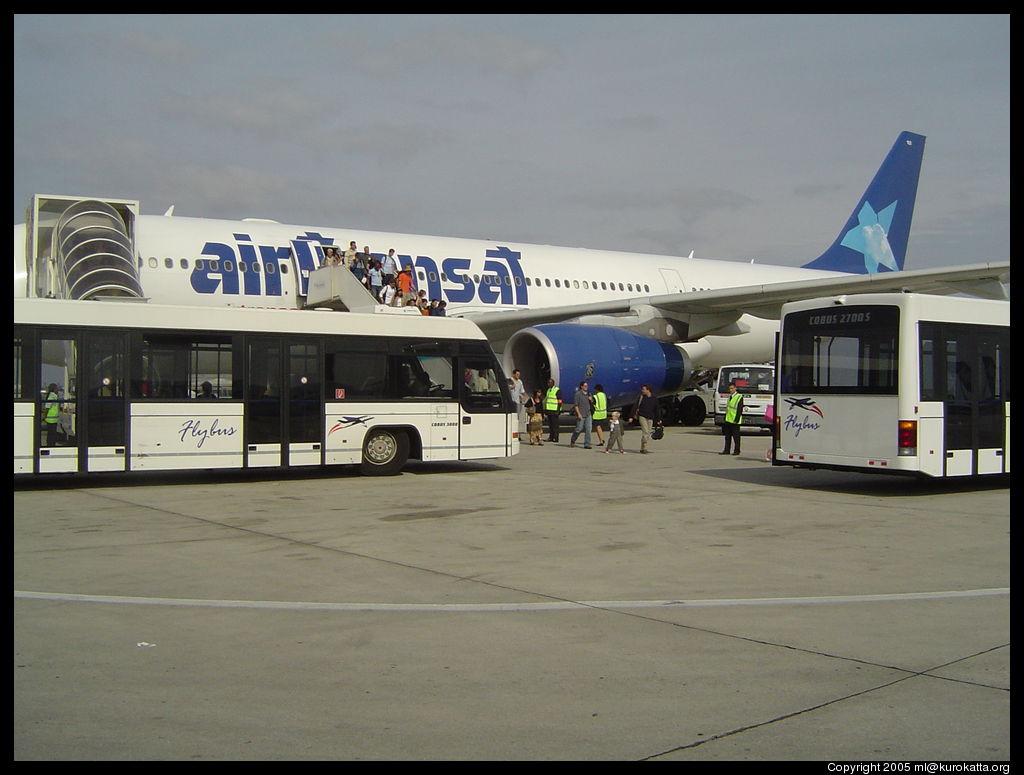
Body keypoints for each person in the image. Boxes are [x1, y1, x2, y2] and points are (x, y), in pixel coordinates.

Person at [628, 383, 662, 454]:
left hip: (650, 417)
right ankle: (644, 448)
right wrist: (631, 416)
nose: (642, 391)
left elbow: (657, 410)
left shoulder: (654, 399)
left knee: (648, 433)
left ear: (648, 390)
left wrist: (658, 419)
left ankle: (642, 448)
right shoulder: (641, 397)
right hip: (642, 416)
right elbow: (635, 406)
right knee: (645, 432)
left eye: (643, 389)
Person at [719, 381, 744, 456]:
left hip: (735, 421)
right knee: (727, 437)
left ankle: (737, 450)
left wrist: (736, 420)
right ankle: (726, 450)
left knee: (736, 437)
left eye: (732, 388)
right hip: (728, 419)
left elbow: (739, 410)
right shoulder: (730, 397)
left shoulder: (739, 397)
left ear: (735, 388)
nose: (730, 390)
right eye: (729, 389)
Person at [569, 381, 593, 448]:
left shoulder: (589, 393)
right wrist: (578, 414)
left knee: (588, 429)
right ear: (581, 387)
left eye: (587, 386)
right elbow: (576, 405)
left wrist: (591, 400)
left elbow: (592, 403)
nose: (586, 387)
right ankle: (573, 440)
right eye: (585, 386)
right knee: (579, 429)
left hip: (588, 414)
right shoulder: (578, 394)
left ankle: (587, 444)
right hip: (581, 414)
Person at [42, 382, 61, 447]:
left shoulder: (54, 396)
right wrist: (44, 416)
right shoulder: (52, 396)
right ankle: (50, 445)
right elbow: (47, 407)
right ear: (54, 389)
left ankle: (51, 444)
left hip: (53, 419)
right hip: (51, 419)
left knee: (51, 433)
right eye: (56, 388)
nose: (58, 389)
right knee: (51, 434)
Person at [543, 378, 562, 443]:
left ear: (553, 383)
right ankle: (551, 437)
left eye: (550, 383)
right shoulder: (548, 390)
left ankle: (556, 438)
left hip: (554, 410)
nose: (548, 384)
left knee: (555, 425)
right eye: (548, 383)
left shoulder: (557, 390)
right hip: (549, 410)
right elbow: (547, 400)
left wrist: (558, 410)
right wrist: (545, 409)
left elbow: (559, 401)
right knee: (550, 425)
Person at [510, 369, 527, 434]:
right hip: (511, 401)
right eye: (517, 374)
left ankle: (517, 433)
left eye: (519, 375)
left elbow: (522, 391)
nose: (518, 376)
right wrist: (512, 386)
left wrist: (524, 397)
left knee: (517, 418)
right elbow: (507, 389)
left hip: (517, 402)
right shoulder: (510, 380)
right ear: (513, 374)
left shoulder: (520, 382)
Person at [591, 383, 608, 448]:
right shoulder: (604, 395)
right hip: (603, 413)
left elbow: (593, 403)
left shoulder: (595, 396)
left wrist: (590, 399)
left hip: (597, 414)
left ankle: (601, 440)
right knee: (600, 427)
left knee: (598, 428)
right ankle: (602, 439)